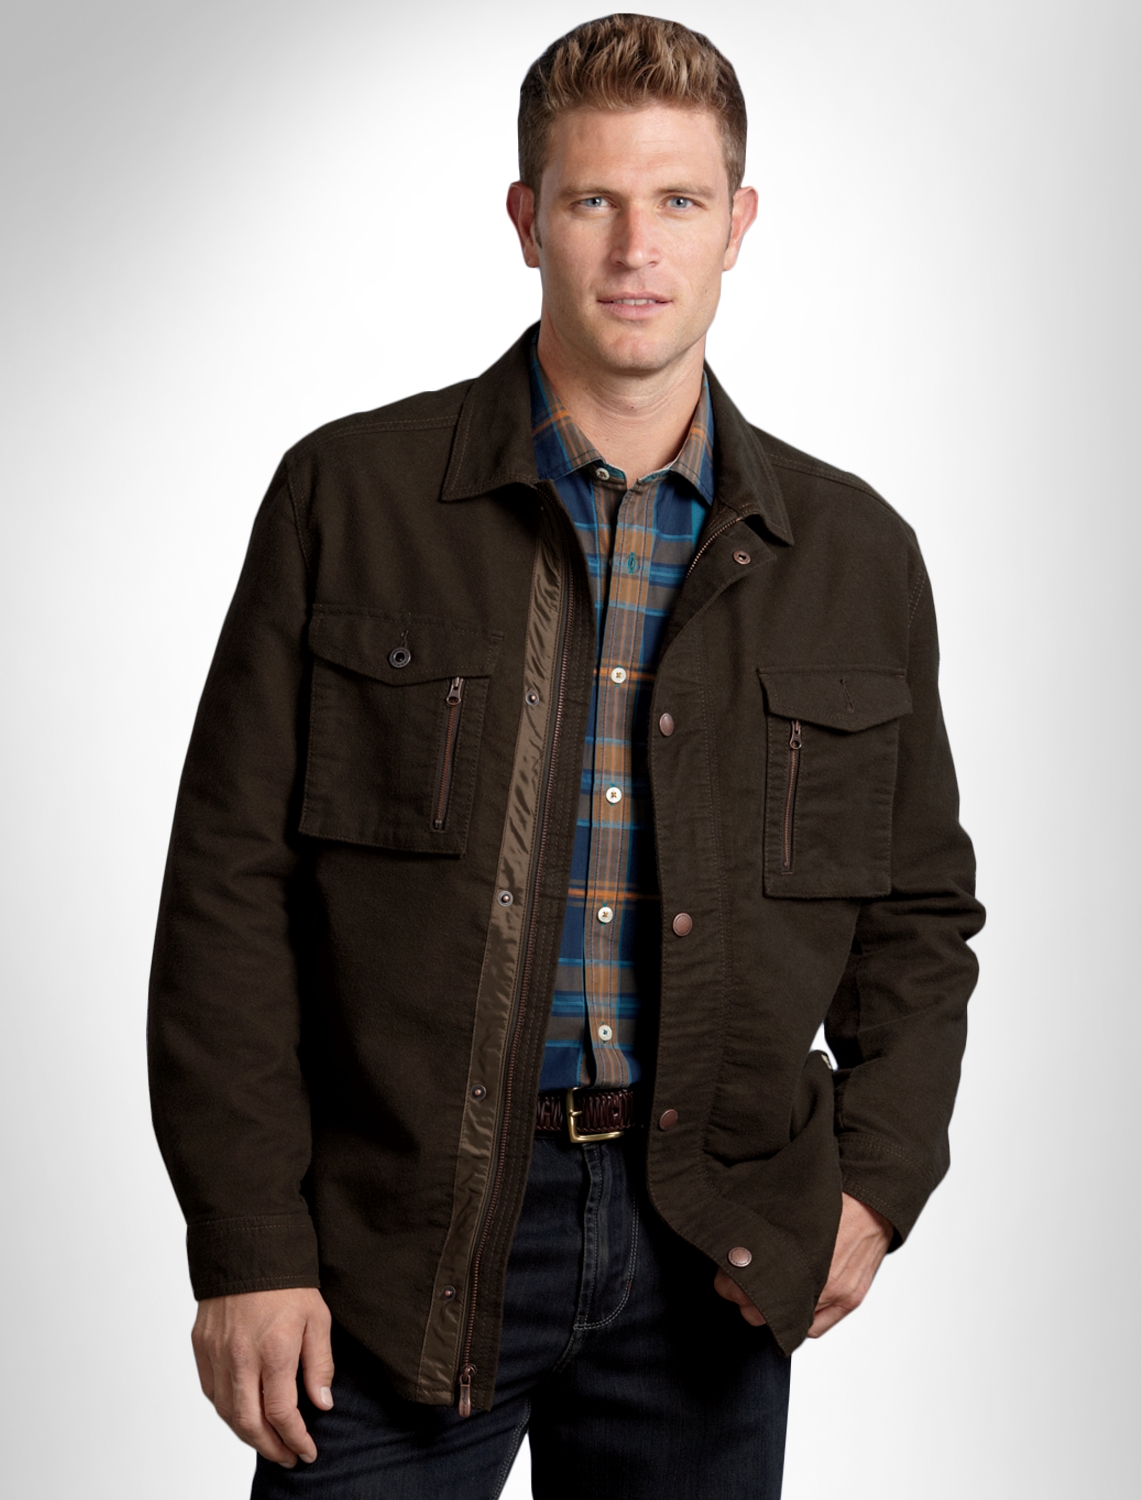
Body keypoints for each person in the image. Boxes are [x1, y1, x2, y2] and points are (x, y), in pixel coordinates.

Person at [148, 14, 983, 1498]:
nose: (635, 248)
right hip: (402, 1237)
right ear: (527, 218)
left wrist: (876, 1181)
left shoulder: (855, 554)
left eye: (678, 201)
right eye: (593, 198)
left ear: (738, 225)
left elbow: (917, 914)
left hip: (711, 1247)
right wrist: (249, 1240)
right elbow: (227, 890)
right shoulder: (351, 497)